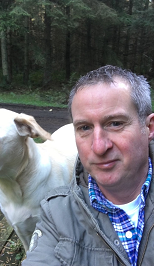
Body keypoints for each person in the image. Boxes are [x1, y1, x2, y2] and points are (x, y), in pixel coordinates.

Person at [22, 65, 154, 266]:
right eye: (84, 128)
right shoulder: (57, 214)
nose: (99, 147)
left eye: (115, 123)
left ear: (149, 127)